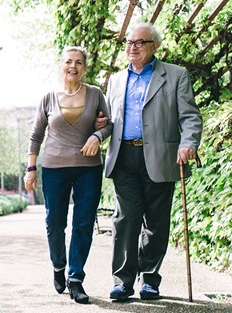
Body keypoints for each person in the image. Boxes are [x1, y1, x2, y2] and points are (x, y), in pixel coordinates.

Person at [104, 23, 202, 301]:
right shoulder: (116, 80)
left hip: (161, 156)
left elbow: (190, 116)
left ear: (154, 46)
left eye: (139, 42)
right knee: (125, 219)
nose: (131, 47)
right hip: (124, 156)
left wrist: (188, 143)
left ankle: (149, 278)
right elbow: (110, 118)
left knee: (156, 222)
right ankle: (122, 281)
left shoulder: (175, 75)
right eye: (128, 42)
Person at [24, 46, 112, 304]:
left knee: (83, 223)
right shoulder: (49, 97)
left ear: (85, 67)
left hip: (88, 168)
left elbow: (108, 124)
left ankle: (76, 279)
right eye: (68, 62)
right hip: (54, 167)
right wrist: (31, 169)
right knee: (55, 223)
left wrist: (97, 135)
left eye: (79, 62)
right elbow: (36, 135)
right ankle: (58, 265)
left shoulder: (96, 94)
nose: (73, 66)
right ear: (61, 66)